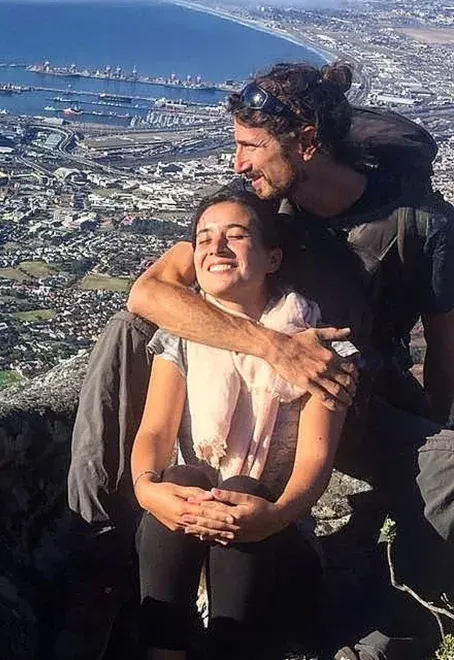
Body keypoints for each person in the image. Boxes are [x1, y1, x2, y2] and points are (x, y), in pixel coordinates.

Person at [66, 60, 454, 660]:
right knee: (127, 328)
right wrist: (277, 348)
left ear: (307, 143)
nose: (237, 164)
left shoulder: (416, 225)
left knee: (449, 467)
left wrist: (430, 429)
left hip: (359, 401)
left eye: (251, 146)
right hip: (266, 381)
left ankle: (415, 612)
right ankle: (98, 537)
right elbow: (149, 293)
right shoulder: (263, 209)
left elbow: (447, 348)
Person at [132, 187, 349, 660]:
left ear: (273, 259)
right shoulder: (181, 337)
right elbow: (154, 433)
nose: (217, 248)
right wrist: (148, 489)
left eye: (236, 236)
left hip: (277, 541)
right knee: (183, 480)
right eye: (205, 239)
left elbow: (315, 461)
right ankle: (163, 650)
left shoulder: (318, 347)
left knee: (245, 491)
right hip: (192, 529)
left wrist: (273, 516)